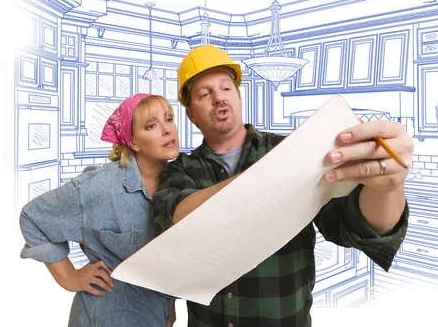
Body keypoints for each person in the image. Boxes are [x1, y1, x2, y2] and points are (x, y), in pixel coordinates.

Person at [152, 45, 412, 327]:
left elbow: (354, 226)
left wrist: (388, 187)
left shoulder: (294, 150)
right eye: (204, 94)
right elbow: (173, 219)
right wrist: (272, 175)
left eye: (226, 88)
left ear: (238, 97)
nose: (218, 98)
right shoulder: (180, 169)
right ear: (191, 115)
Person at [19, 93, 180, 327]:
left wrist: (168, 305)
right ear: (133, 141)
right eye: (151, 125)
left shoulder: (178, 186)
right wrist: (69, 276)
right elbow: (32, 217)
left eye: (169, 118)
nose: (167, 130)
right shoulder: (100, 187)